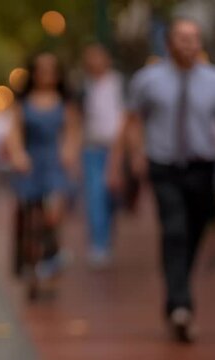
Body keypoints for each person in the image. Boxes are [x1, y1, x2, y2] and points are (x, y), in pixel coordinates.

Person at [108, 18, 215, 342]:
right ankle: (181, 305)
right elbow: (131, 121)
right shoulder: (147, 80)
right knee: (174, 229)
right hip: (163, 165)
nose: (190, 44)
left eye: (195, 38)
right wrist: (129, 156)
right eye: (183, 38)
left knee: (194, 233)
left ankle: (175, 294)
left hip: (202, 167)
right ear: (169, 43)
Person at [6, 52, 81, 298]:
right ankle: (34, 271)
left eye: (51, 69)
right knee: (32, 222)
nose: (47, 74)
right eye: (42, 69)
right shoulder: (24, 102)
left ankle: (52, 258)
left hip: (55, 163)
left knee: (52, 217)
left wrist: (69, 153)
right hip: (31, 164)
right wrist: (18, 155)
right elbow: (14, 133)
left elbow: (72, 133)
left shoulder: (64, 102)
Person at [78, 44, 124, 267]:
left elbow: (128, 118)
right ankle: (99, 243)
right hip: (92, 149)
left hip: (116, 148)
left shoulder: (119, 84)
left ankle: (106, 236)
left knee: (112, 196)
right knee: (95, 195)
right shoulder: (84, 87)